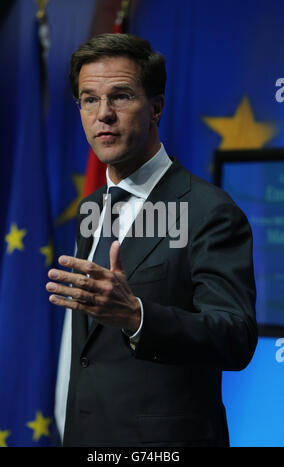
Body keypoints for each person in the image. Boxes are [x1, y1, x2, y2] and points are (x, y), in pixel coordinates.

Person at [46, 33, 257, 447]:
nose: (103, 114)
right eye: (89, 99)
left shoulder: (208, 210)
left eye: (120, 97)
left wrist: (137, 316)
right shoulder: (91, 208)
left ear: (156, 107)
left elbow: (235, 337)